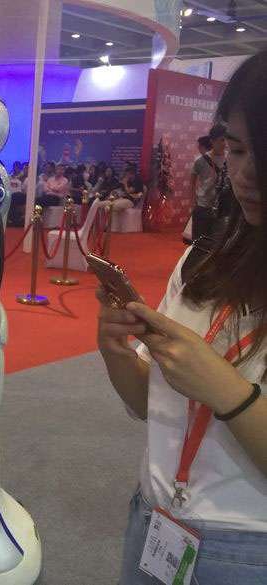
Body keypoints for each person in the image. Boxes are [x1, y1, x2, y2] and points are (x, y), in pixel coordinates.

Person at [98, 50, 266, 585]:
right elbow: (150, 404)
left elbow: (212, 390)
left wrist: (227, 390)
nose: (246, 173)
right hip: (155, 518)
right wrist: (117, 353)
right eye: (235, 149)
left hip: (249, 545)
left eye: (263, 151)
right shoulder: (205, 259)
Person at [190, 123, 227, 241]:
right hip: (204, 207)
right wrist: (193, 203)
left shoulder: (230, 158)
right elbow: (192, 182)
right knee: (199, 243)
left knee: (218, 244)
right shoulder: (200, 161)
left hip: (223, 208)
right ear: (212, 141)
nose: (225, 143)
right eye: (221, 140)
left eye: (226, 139)